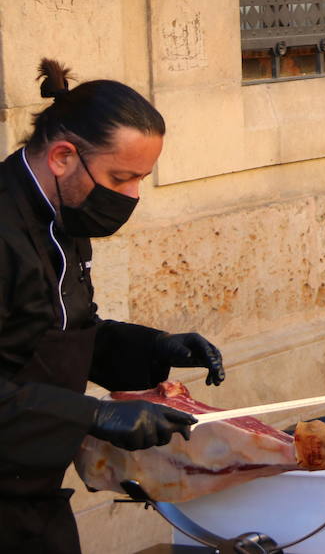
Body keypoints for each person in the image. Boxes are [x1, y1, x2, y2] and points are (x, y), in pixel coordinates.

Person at [1, 60, 225, 553]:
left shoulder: (65, 217)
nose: (132, 195)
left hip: (31, 497)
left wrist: (156, 347)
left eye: (140, 179)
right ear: (62, 156)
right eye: (121, 177)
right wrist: (91, 416)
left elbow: (62, 333)